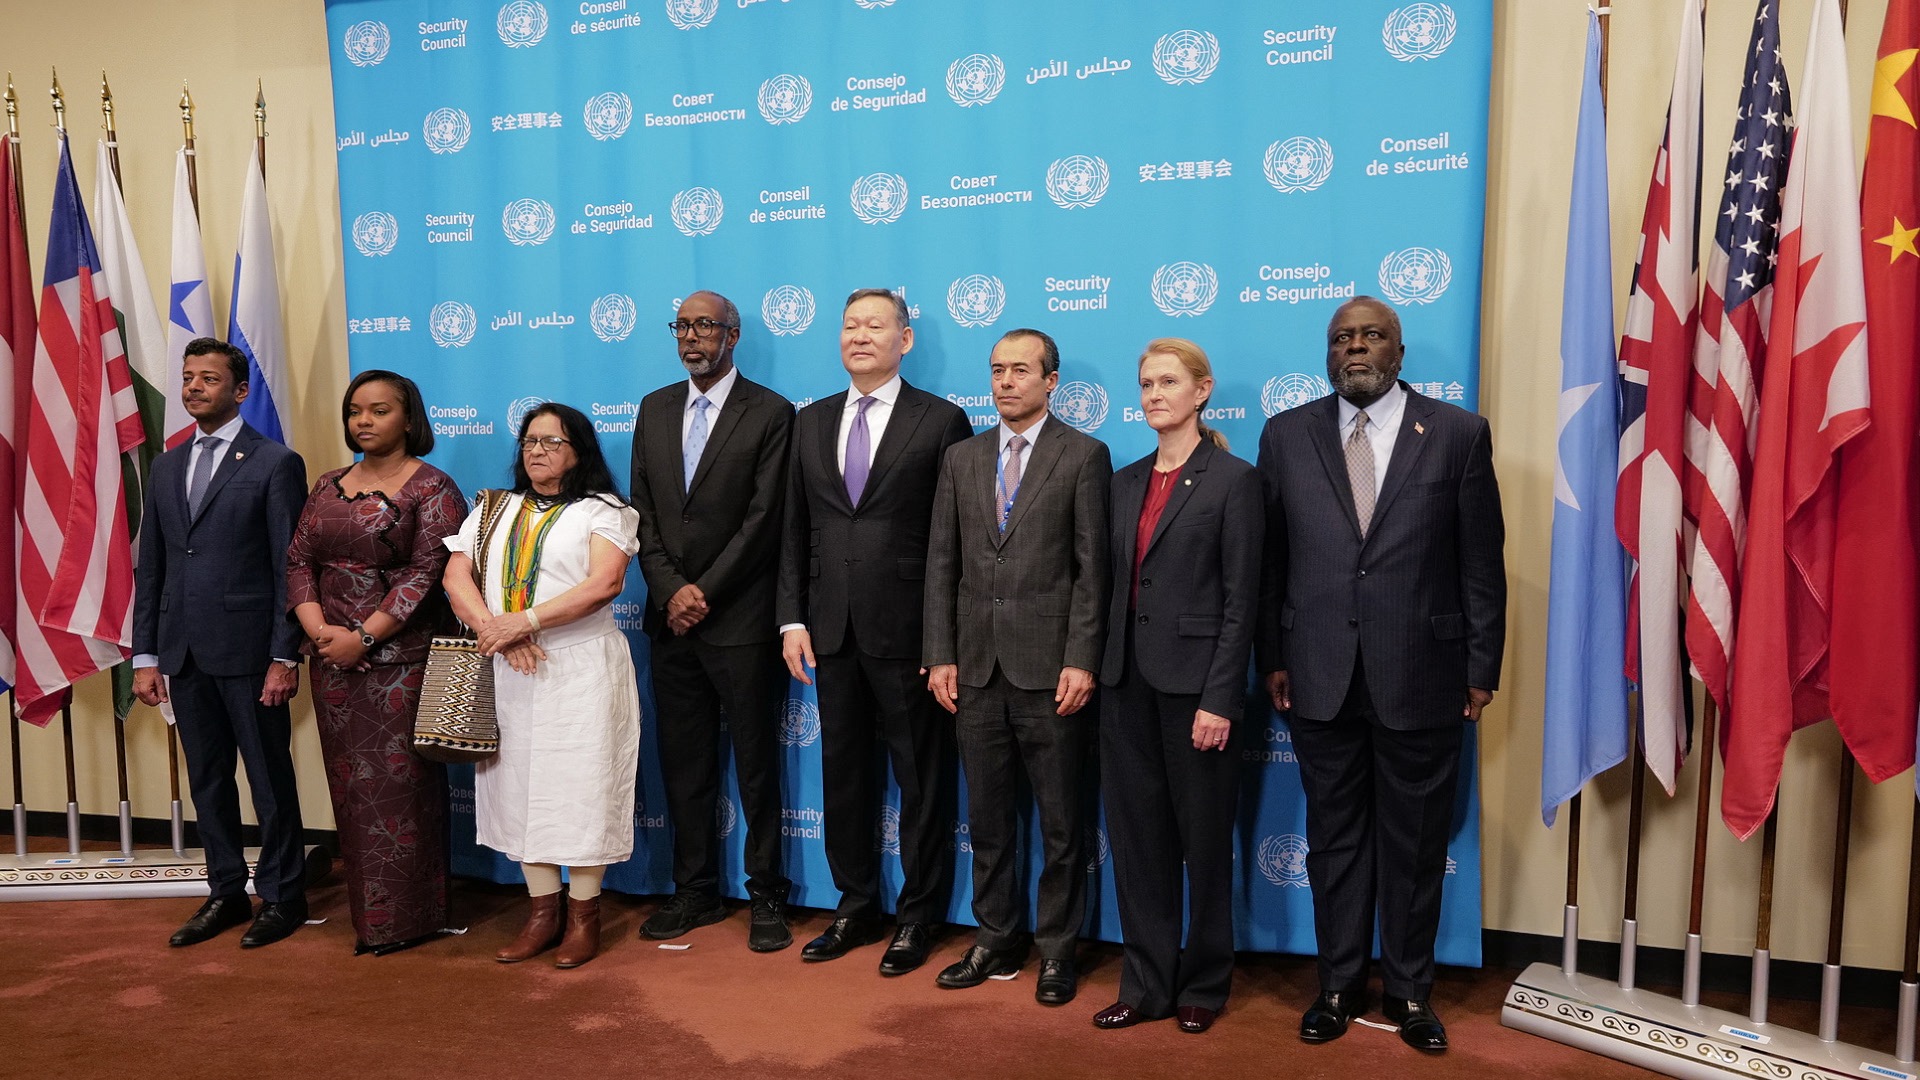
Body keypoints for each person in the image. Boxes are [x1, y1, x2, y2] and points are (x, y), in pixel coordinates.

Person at [1256, 297, 1506, 1052]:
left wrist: (1481, 665)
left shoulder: (1457, 434)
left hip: (1424, 673)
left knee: (1417, 841)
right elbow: (1270, 564)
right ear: (1326, 354)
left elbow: (1481, 564)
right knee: (1334, 841)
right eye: (1341, 338)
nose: (1354, 347)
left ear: (1399, 352)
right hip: (1318, 673)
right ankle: (1335, 985)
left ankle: (1409, 993)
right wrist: (1273, 655)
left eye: (1370, 336)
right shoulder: (1286, 434)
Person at [778, 288, 972, 974]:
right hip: (829, 630)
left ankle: (919, 917)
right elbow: (795, 529)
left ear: (905, 340)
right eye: (850, 324)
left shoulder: (942, 420)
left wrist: (943, 636)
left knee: (922, 779)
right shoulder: (811, 421)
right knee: (844, 776)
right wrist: (793, 617)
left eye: (875, 325)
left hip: (912, 634)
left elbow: (955, 537)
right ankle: (856, 904)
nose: (860, 335)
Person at [923, 328, 1110, 1007]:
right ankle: (996, 936)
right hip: (974, 669)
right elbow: (942, 563)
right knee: (990, 818)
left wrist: (1081, 658)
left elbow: (1093, 573)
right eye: (998, 370)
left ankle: (1058, 949)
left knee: (1062, 824)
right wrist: (939, 652)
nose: (1006, 381)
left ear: (1051, 380)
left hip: (1050, 670)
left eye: (1022, 370)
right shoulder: (961, 459)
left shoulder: (1083, 456)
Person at [1090, 339, 1262, 1034]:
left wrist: (1220, 698)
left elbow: (1240, 601)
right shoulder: (1122, 482)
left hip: (1197, 692)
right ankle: (1147, 983)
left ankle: (1204, 983)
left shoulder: (1234, 479)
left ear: (1202, 390)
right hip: (1124, 684)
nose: (1154, 393)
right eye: (1146, 383)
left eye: (1168, 381)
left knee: (1201, 841)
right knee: (1138, 845)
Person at [443, 403, 642, 969]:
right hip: (510, 666)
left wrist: (525, 622)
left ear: (580, 451)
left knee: (580, 790)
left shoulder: (605, 510)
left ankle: (584, 918)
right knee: (520, 789)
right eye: (530, 440)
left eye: (553, 442)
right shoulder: (494, 509)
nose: (537, 451)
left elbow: (605, 584)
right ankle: (540, 914)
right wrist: (496, 631)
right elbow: (455, 575)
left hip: (580, 668)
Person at [630, 291, 795, 951]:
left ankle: (766, 896)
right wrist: (672, 589)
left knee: (756, 767)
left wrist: (704, 590)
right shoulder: (654, 407)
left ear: (733, 335)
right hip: (672, 622)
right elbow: (641, 507)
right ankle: (693, 891)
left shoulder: (772, 413)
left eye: (704, 326)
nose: (691, 337)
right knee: (685, 764)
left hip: (740, 620)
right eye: (682, 326)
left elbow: (764, 519)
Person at [132, 337, 309, 949]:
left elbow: (292, 568)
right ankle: (226, 892)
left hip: (253, 656)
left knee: (268, 779)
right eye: (187, 378)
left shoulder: (274, 463)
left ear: (240, 391)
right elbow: (151, 567)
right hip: (182, 654)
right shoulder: (165, 466)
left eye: (208, 378)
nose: (193, 388)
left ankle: (283, 896)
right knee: (208, 781)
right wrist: (146, 657)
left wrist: (284, 655)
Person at [286, 370, 468, 955]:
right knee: (351, 789)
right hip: (332, 662)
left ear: (409, 419)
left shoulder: (434, 488)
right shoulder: (326, 483)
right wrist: (320, 633)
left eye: (379, 410)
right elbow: (298, 562)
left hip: (399, 664)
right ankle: (370, 917)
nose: (363, 421)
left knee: (400, 791)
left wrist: (363, 637)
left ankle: (410, 919)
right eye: (355, 411)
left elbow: (426, 575)